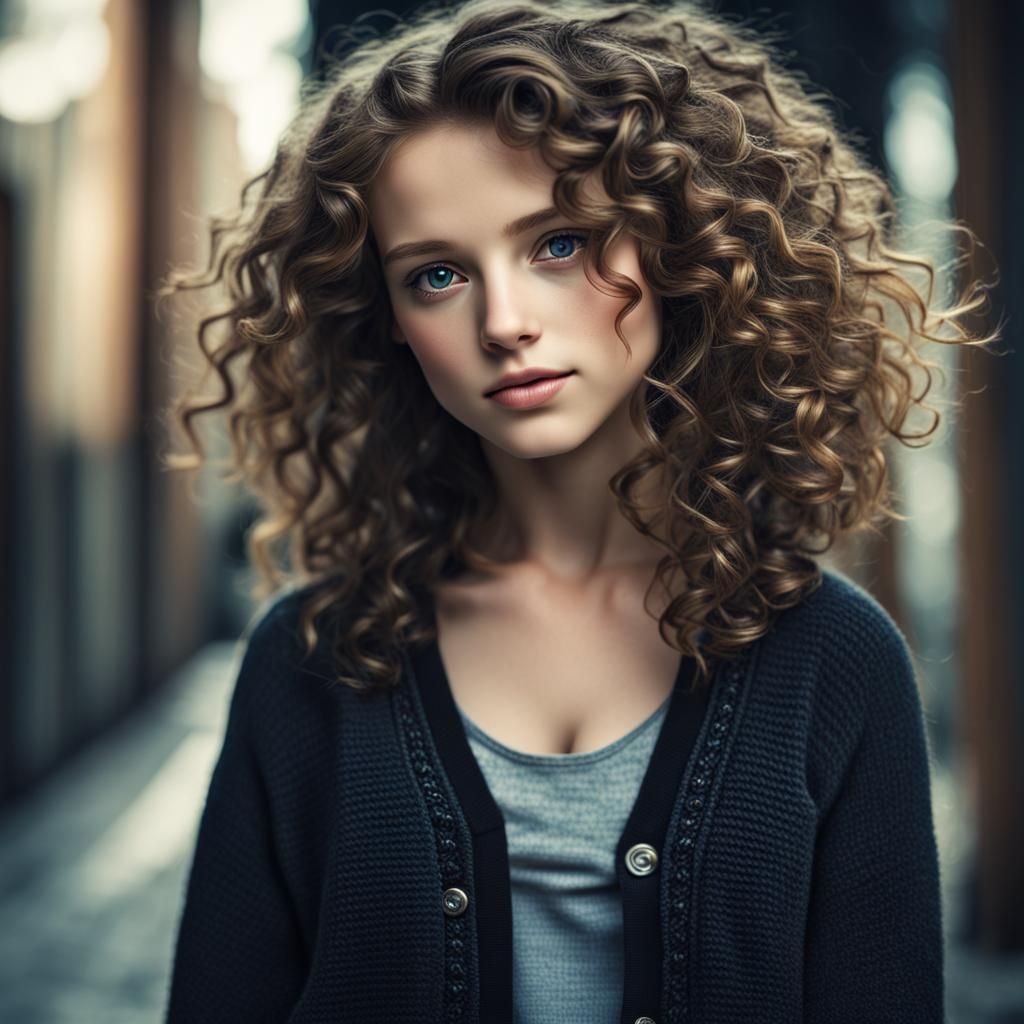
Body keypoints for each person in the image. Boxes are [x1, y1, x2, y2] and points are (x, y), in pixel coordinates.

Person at [161, 0, 998, 1021]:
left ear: (678, 245)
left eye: (559, 243)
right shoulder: (315, 659)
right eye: (436, 275)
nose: (504, 322)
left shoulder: (835, 661)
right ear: (387, 322)